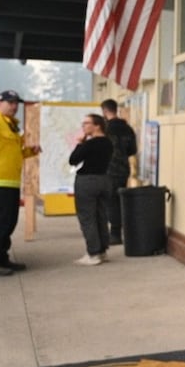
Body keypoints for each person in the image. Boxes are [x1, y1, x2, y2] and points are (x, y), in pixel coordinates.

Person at [0, 90, 41, 277]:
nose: (14, 106)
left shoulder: (12, 127)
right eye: (10, 102)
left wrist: (31, 151)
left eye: (16, 103)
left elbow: (16, 153)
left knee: (9, 223)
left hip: (11, 183)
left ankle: (1, 257)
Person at [69, 114, 114, 266]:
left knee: (87, 217)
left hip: (87, 181)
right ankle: (102, 250)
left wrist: (80, 143)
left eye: (87, 123)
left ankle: (93, 252)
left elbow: (73, 160)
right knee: (101, 215)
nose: (84, 126)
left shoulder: (89, 144)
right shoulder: (108, 143)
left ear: (97, 126)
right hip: (104, 179)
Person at [101, 99, 138, 245]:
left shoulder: (106, 129)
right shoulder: (127, 128)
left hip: (109, 169)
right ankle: (125, 231)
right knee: (120, 200)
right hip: (123, 169)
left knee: (111, 202)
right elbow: (132, 150)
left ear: (104, 111)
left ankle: (115, 234)